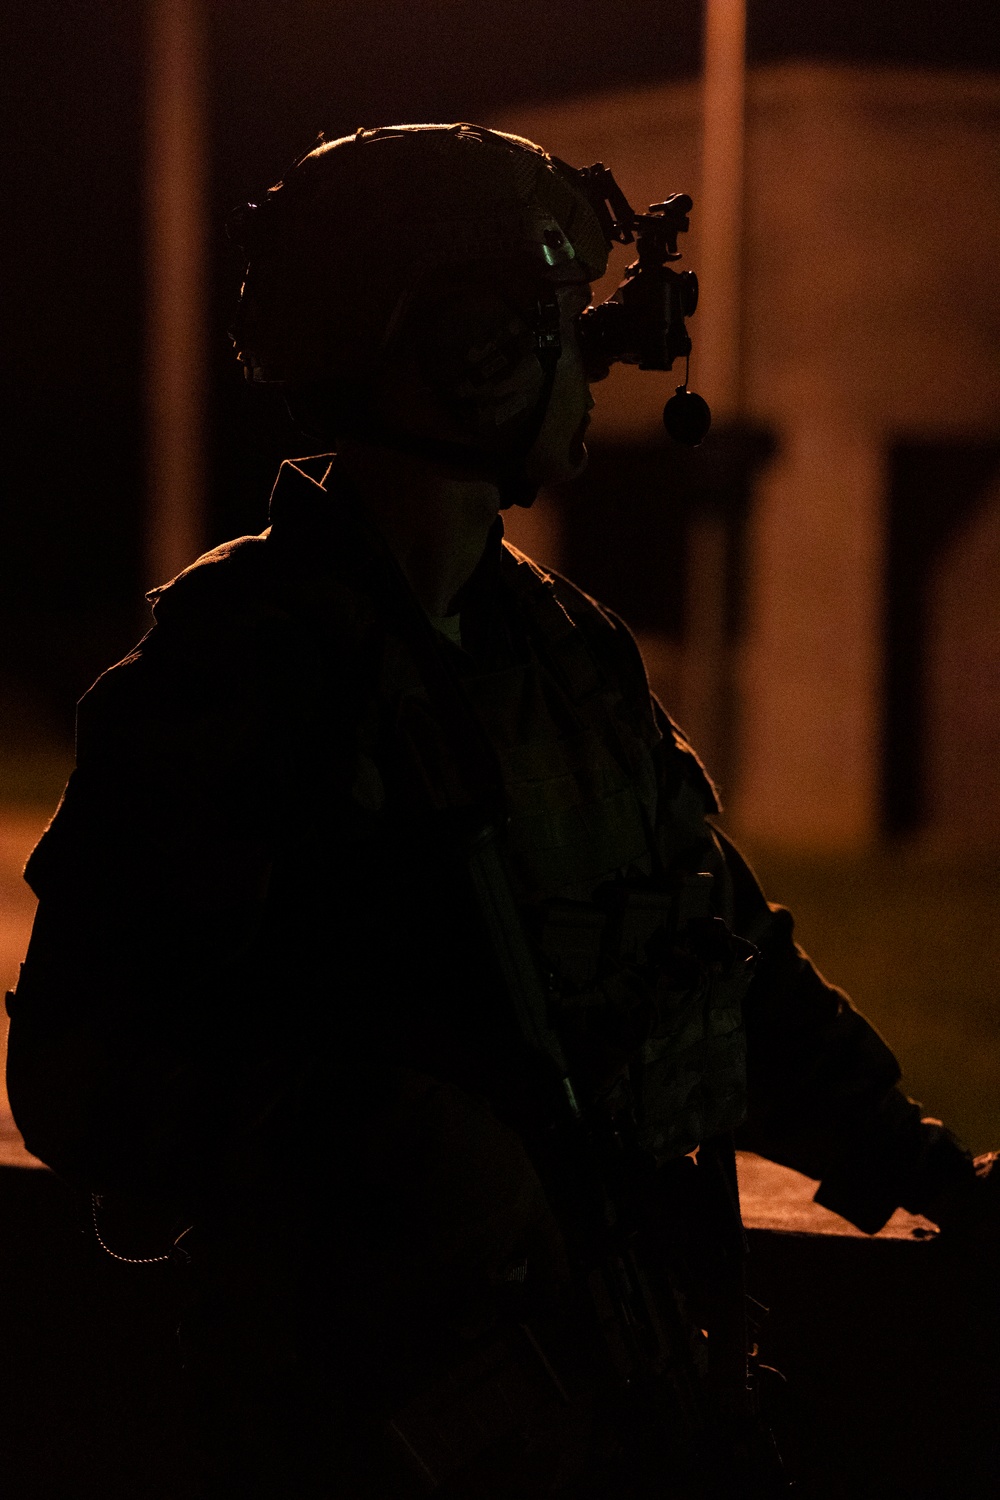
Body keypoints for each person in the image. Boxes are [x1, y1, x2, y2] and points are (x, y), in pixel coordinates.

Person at [6, 123, 997, 1498]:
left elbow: (726, 965)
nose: (598, 374)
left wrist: (941, 1176)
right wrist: (389, 1140)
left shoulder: (569, 658)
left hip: (622, 1400)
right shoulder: (236, 668)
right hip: (337, 1425)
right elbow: (78, 1071)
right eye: (558, 334)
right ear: (470, 353)